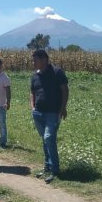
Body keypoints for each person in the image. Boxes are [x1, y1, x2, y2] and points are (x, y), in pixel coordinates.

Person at [30, 49, 69, 183]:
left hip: (53, 112)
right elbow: (32, 92)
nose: (33, 63)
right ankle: (47, 166)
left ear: (44, 59)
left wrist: (63, 107)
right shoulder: (35, 75)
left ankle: (54, 169)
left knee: (49, 138)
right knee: (45, 140)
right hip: (38, 113)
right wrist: (33, 107)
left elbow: (65, 89)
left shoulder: (57, 72)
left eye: (35, 60)